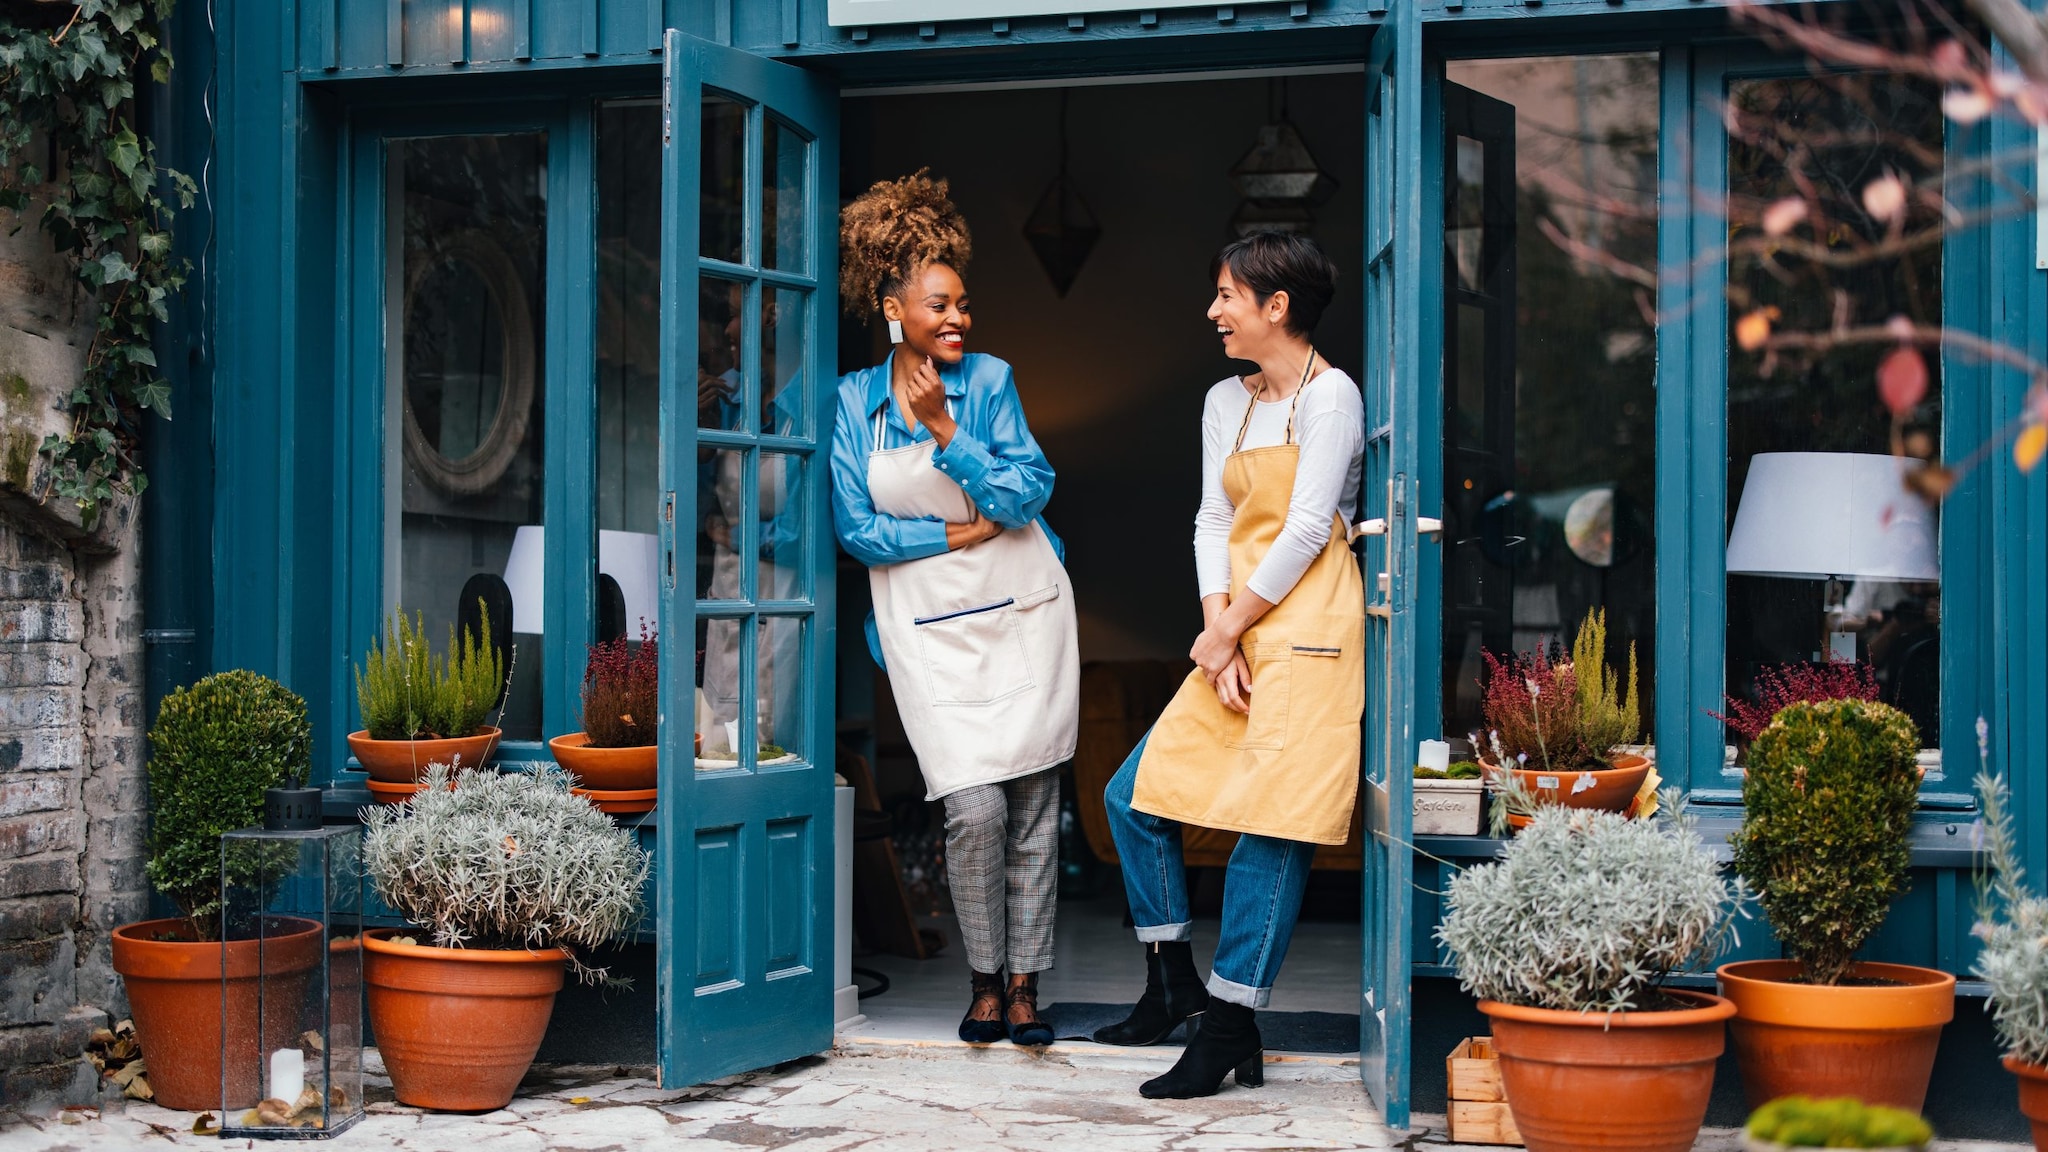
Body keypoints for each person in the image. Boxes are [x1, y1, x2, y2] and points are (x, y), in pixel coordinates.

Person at [1098, 232, 1363, 1099]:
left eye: (1225, 295)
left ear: (1274, 306)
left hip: (1312, 628)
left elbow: (1303, 529)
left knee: (1274, 828)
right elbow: (1215, 520)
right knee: (1132, 797)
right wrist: (1220, 635)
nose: (1213, 311)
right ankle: (1170, 978)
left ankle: (1229, 1026)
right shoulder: (1225, 400)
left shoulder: (1333, 398)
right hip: (1239, 631)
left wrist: (1233, 628)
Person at [829, 171, 1080, 1047]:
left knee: (1035, 812)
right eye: (940, 305)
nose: (958, 320)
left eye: (964, 304)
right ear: (894, 307)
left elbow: (1027, 491)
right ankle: (982, 974)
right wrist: (953, 540)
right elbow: (856, 529)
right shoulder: (852, 403)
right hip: (928, 634)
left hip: (1021, 617)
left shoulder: (989, 383)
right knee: (974, 811)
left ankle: (1022, 988)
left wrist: (947, 433)